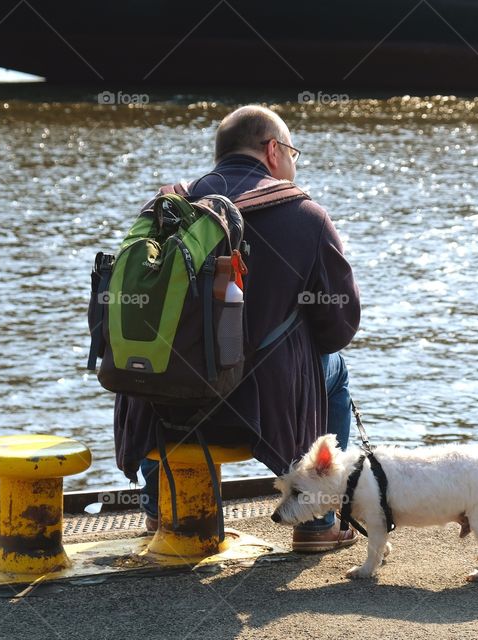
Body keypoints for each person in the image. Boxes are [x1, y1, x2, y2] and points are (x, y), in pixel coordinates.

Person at [113, 105, 361, 552]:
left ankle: (157, 507)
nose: (292, 164)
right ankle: (318, 519)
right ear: (273, 150)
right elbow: (339, 328)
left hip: (167, 405)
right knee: (335, 369)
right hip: (258, 407)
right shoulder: (305, 215)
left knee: (155, 365)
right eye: (293, 153)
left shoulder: (166, 206)